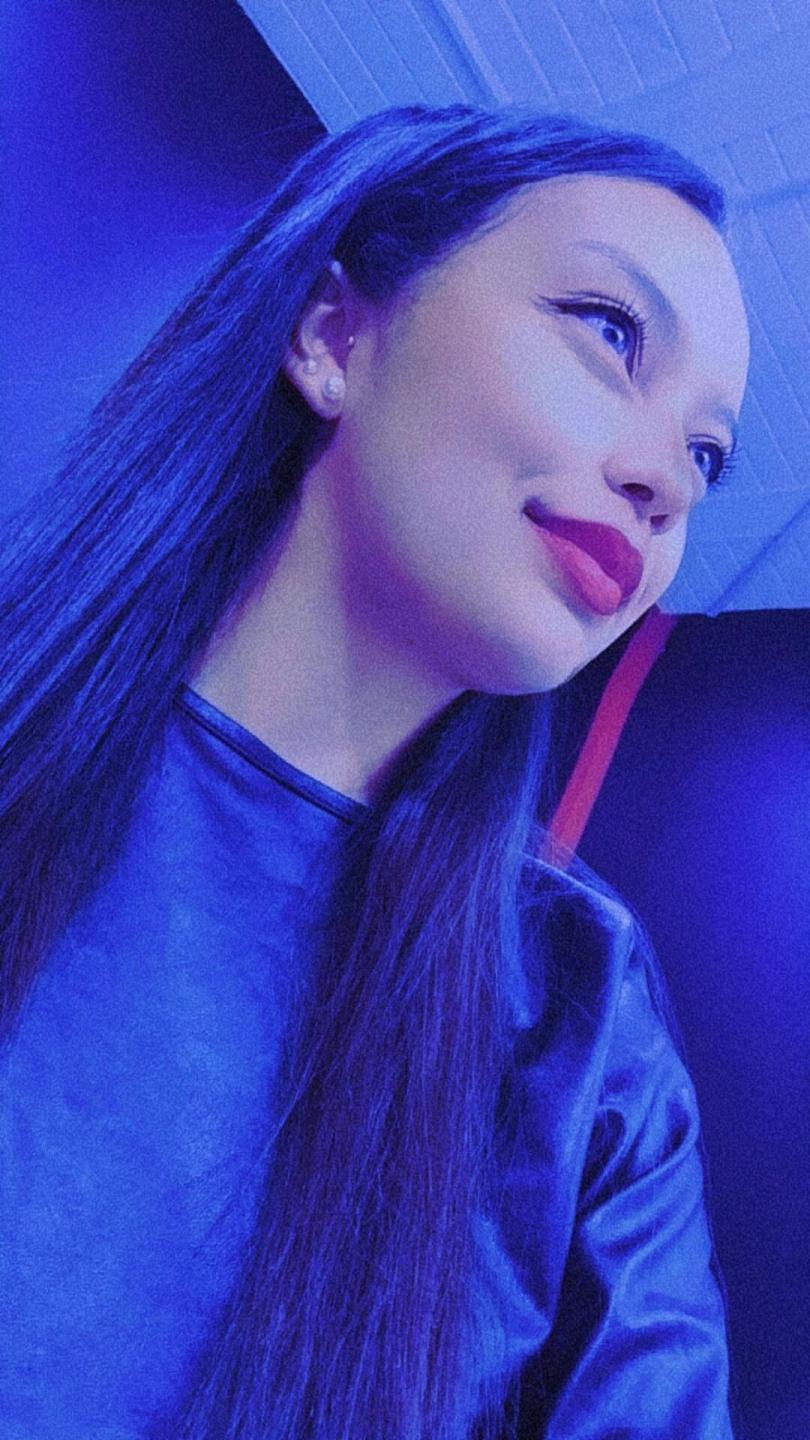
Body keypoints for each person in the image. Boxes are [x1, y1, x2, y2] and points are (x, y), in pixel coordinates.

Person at [0, 105, 749, 1439]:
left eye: (706, 455)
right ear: (335, 334)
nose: (668, 487)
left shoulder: (582, 1024)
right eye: (609, 332)